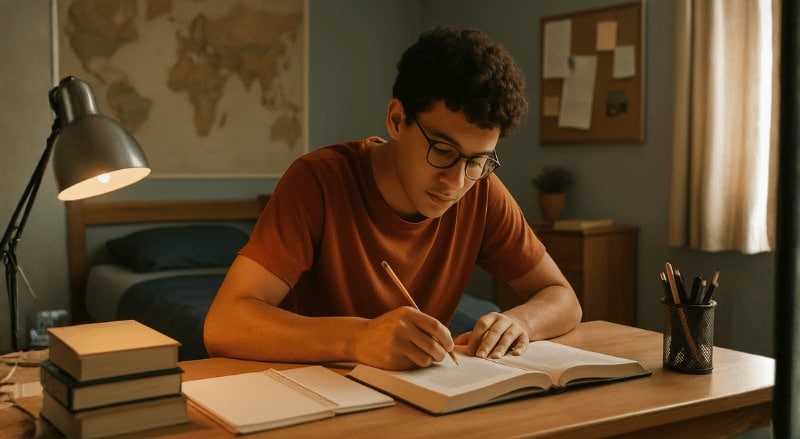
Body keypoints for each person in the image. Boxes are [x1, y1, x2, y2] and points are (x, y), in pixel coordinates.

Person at [204, 27, 582, 370]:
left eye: (478, 160)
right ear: (397, 120)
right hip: (310, 392)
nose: (455, 181)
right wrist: (357, 338)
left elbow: (562, 297)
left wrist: (520, 322)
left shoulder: (480, 189)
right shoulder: (318, 181)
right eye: (443, 150)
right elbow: (224, 322)